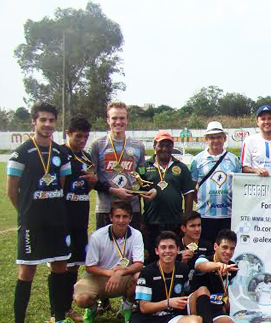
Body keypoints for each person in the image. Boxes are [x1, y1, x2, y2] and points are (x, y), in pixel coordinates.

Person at [7, 102, 77, 323]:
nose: (47, 125)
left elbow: (64, 184)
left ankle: (59, 317)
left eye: (51, 120)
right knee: (26, 272)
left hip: (57, 221)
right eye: (42, 120)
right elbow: (11, 191)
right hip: (32, 224)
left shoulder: (61, 153)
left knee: (59, 267)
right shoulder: (22, 153)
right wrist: (27, 214)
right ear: (34, 122)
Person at [114, 231, 216, 323]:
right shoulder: (147, 273)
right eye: (163, 247)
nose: (167, 251)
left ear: (177, 249)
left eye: (171, 247)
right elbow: (144, 307)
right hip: (145, 320)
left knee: (196, 320)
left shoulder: (183, 269)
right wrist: (168, 302)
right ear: (157, 251)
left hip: (169, 319)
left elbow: (187, 293)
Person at [189, 229, 263, 323]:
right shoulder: (203, 259)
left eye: (232, 249)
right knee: (203, 289)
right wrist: (217, 266)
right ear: (215, 246)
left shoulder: (232, 267)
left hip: (214, 310)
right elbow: (201, 266)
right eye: (224, 247)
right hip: (195, 308)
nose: (228, 252)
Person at [74, 201, 144, 323]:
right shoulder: (97, 236)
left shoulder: (136, 234)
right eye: (117, 216)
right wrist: (110, 273)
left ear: (131, 218)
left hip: (123, 277)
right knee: (81, 299)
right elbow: (90, 267)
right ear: (111, 218)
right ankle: (93, 308)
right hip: (99, 277)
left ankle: (126, 308)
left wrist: (119, 273)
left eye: (125, 217)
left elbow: (138, 264)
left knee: (140, 278)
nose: (121, 221)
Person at [59, 113, 100, 323]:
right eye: (78, 137)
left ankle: (66, 307)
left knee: (75, 264)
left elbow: (89, 187)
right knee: (61, 265)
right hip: (63, 218)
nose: (82, 141)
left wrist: (93, 181)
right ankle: (59, 310)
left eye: (85, 137)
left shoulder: (86, 158)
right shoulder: (59, 154)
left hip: (80, 218)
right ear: (68, 134)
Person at [90, 101, 151, 230]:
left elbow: (142, 176)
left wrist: (148, 189)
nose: (118, 122)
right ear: (108, 120)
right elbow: (92, 180)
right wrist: (113, 190)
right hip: (106, 208)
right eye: (114, 118)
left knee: (130, 248)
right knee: (106, 248)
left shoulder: (138, 146)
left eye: (122, 118)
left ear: (127, 120)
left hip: (132, 208)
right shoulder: (98, 145)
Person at [140, 130, 194, 260]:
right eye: (161, 145)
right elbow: (137, 193)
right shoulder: (143, 167)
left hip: (174, 221)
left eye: (168, 145)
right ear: (154, 147)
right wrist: (141, 220)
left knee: (173, 256)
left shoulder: (181, 167)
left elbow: (189, 194)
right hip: (151, 221)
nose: (165, 148)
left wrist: (186, 219)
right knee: (152, 257)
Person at [191, 121, 241, 245]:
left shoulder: (233, 159)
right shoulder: (197, 160)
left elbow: (239, 187)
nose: (216, 141)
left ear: (224, 139)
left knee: (226, 249)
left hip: (228, 215)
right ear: (206, 139)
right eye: (212, 137)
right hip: (206, 216)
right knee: (206, 248)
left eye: (219, 137)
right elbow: (192, 188)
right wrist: (202, 202)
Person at [178, 211, 213, 279]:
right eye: (192, 226)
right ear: (183, 228)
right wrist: (182, 262)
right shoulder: (175, 246)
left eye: (199, 225)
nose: (197, 229)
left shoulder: (207, 245)